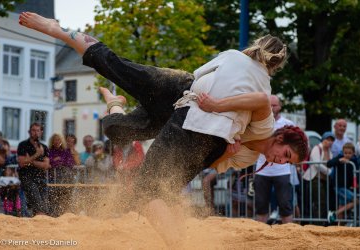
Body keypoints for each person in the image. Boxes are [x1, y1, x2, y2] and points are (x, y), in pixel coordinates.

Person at [19, 12, 308, 245]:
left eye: (286, 163)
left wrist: (228, 146)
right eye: (286, 155)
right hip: (188, 99)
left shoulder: (247, 147)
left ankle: (114, 103)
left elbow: (214, 163)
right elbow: (255, 98)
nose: (281, 162)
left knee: (118, 131)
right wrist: (217, 106)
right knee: (120, 74)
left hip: (189, 102)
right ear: (282, 138)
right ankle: (57, 30)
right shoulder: (261, 106)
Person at [253, 95, 295, 224]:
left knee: (285, 205)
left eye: (274, 105)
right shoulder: (257, 123)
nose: (271, 108)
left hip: (282, 171)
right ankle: (261, 235)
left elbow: (297, 146)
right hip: (262, 170)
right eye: (269, 105)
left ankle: (290, 236)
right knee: (261, 205)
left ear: (280, 107)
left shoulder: (288, 124)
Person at [17, 123, 50, 216]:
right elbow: (22, 163)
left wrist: (30, 161)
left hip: (41, 178)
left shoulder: (44, 147)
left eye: (38, 130)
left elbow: (46, 165)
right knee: (39, 205)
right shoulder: (23, 145)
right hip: (27, 177)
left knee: (44, 205)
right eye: (33, 130)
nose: (35, 133)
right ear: (29, 132)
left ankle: (39, 223)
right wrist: (37, 154)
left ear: (41, 132)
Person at [302, 131, 334, 219]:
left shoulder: (330, 151)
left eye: (331, 140)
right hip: (315, 178)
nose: (329, 142)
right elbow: (317, 164)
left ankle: (322, 221)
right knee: (319, 201)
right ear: (323, 139)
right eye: (328, 139)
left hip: (324, 180)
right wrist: (329, 172)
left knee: (323, 202)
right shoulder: (317, 148)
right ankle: (317, 222)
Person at [327, 142, 358, 224]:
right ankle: (334, 214)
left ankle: (339, 227)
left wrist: (355, 184)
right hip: (339, 186)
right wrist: (339, 160)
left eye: (350, 153)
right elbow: (329, 164)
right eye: (345, 153)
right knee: (356, 200)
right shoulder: (340, 158)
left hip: (347, 187)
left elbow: (356, 174)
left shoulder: (354, 161)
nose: (347, 155)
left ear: (353, 153)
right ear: (343, 152)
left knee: (341, 206)